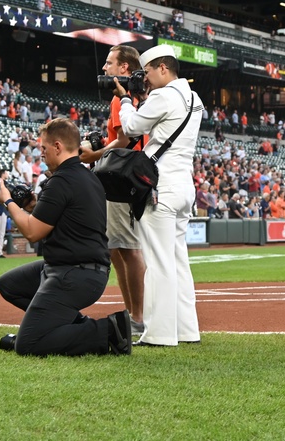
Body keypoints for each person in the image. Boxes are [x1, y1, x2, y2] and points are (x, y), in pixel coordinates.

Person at [0, 118, 132, 357]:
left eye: (44, 148)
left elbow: (32, 232)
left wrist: (7, 201)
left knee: (27, 345)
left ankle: (107, 330)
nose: (42, 154)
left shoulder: (60, 181)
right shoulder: (87, 177)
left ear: (57, 147)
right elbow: (62, 217)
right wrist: (30, 206)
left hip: (75, 273)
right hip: (76, 268)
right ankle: (67, 324)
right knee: (9, 285)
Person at [116, 44, 204, 346]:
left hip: (161, 186)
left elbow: (130, 126)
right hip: (183, 185)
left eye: (150, 72)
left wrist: (127, 100)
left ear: (163, 68)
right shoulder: (194, 97)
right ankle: (187, 329)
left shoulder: (164, 95)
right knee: (178, 260)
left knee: (159, 261)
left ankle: (160, 333)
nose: (147, 79)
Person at [80, 45, 147, 336]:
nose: (105, 68)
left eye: (110, 63)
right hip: (125, 177)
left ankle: (138, 315)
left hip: (122, 178)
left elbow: (124, 140)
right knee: (117, 249)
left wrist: (93, 156)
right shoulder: (130, 97)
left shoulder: (123, 98)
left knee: (126, 249)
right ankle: (134, 312)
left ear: (124, 69)